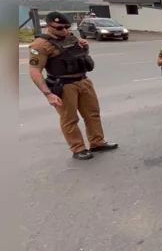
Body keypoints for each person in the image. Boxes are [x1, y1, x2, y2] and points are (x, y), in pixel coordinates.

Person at [27, 12, 118, 160]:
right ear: (48, 26)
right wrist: (48, 94)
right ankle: (78, 148)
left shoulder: (71, 36)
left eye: (66, 27)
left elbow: (78, 57)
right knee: (69, 119)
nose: (64, 30)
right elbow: (34, 70)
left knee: (92, 114)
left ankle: (97, 142)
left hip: (83, 81)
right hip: (63, 85)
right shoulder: (40, 44)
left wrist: (85, 48)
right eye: (59, 28)